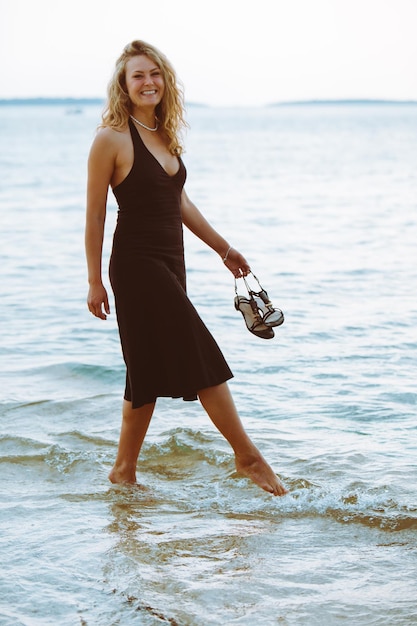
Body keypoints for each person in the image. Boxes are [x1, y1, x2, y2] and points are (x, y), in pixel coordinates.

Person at [85, 40, 287, 497]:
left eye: (155, 73)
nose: (148, 82)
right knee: (202, 353)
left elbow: (178, 201)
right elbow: (95, 212)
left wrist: (224, 249)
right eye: (137, 75)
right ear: (124, 84)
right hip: (135, 266)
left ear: (165, 80)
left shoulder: (164, 135)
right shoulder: (111, 138)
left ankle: (123, 471)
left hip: (171, 262)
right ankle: (248, 457)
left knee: (144, 370)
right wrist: (94, 279)